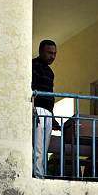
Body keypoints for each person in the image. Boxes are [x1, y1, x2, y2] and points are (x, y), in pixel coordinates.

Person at [32, 39, 60, 177]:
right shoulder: (33, 66)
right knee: (37, 146)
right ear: (41, 51)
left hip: (47, 112)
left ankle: (40, 173)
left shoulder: (50, 72)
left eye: (54, 53)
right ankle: (37, 175)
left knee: (43, 147)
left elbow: (50, 96)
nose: (52, 56)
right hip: (37, 109)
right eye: (49, 53)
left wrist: (53, 118)